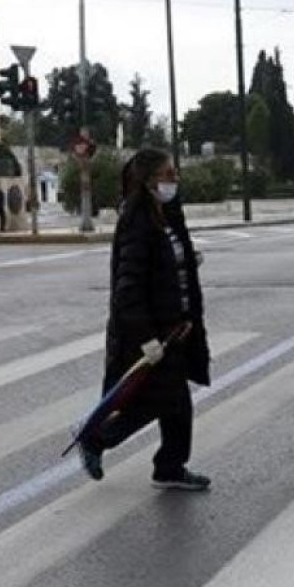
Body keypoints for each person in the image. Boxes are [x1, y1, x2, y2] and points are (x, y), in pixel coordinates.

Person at [75, 147, 213, 491]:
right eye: (169, 174)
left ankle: (169, 466)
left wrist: (184, 262)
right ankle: (96, 439)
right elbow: (129, 288)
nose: (175, 180)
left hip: (176, 326)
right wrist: (147, 339)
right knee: (157, 402)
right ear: (150, 181)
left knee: (173, 402)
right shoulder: (137, 221)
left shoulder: (168, 213)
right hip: (152, 333)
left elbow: (162, 263)